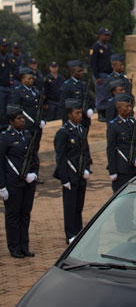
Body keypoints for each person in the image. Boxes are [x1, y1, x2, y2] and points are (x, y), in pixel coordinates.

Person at [0, 104, 38, 257]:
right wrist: (2, 186)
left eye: (23, 118)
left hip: (27, 183)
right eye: (19, 118)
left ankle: (24, 245)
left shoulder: (27, 136)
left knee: (25, 214)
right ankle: (14, 247)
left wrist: (34, 174)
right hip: (12, 183)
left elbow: (34, 158)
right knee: (13, 215)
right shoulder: (5, 137)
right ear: (11, 121)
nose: (22, 121)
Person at [54, 99, 92, 244]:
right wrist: (65, 179)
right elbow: (61, 158)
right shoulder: (63, 132)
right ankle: (70, 234)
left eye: (80, 113)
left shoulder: (81, 129)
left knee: (78, 206)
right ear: (69, 114)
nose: (80, 116)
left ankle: (78, 231)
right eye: (77, 113)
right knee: (70, 207)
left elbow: (86, 151)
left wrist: (87, 168)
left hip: (81, 174)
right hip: (70, 175)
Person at [106, 93, 136, 231]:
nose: (129, 109)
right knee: (121, 198)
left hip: (132, 167)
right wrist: (113, 170)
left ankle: (129, 222)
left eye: (130, 106)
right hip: (121, 168)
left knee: (131, 198)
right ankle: (121, 225)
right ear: (119, 108)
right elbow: (111, 149)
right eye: (126, 106)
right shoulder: (113, 126)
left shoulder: (132, 123)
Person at [9, 67, 46, 159]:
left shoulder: (36, 90)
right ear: (22, 79)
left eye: (32, 78)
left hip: (37, 125)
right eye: (28, 79)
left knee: (35, 146)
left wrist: (43, 120)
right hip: (26, 125)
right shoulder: (18, 91)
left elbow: (40, 107)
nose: (31, 80)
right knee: (26, 147)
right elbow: (15, 109)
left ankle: (33, 164)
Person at [59, 61, 94, 130]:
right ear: (72, 72)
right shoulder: (67, 86)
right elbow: (63, 105)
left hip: (85, 120)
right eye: (79, 71)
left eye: (82, 70)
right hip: (73, 121)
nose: (81, 73)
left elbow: (91, 100)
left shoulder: (84, 84)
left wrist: (91, 109)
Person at [89, 27, 113, 122]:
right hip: (100, 74)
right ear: (100, 36)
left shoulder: (109, 46)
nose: (107, 37)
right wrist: (97, 76)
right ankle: (100, 112)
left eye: (108, 35)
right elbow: (93, 64)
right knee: (101, 94)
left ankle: (107, 112)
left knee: (108, 94)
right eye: (105, 35)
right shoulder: (95, 48)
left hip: (109, 73)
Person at [0, 36, 15, 129]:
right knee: (1, 109)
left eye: (6, 46)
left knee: (9, 108)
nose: (5, 48)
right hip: (1, 87)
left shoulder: (8, 57)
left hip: (8, 86)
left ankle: (7, 126)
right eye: (3, 46)